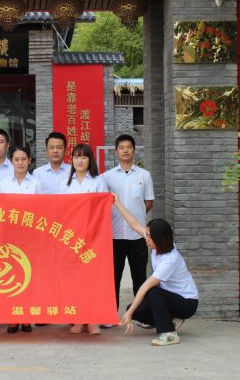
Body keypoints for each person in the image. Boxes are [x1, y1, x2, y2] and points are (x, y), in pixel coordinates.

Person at [113, 195, 198, 346]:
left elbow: (146, 286)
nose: (146, 239)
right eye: (147, 235)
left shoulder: (169, 259)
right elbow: (134, 224)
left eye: (150, 237)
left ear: (160, 239)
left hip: (187, 302)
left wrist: (128, 314)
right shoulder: (158, 244)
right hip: (170, 297)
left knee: (152, 292)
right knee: (135, 309)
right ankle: (171, 321)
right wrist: (117, 202)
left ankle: (169, 334)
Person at [102, 134, 155, 324]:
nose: (125, 150)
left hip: (137, 236)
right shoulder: (106, 177)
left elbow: (149, 202)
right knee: (112, 278)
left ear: (134, 150)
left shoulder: (144, 175)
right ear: (116, 151)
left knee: (139, 277)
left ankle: (142, 315)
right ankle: (110, 315)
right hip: (114, 235)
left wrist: (136, 218)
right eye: (121, 147)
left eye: (129, 147)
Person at [59, 143, 108, 335]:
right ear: (71, 160)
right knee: (75, 280)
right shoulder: (65, 183)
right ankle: (78, 319)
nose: (79, 161)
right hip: (71, 239)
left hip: (92, 237)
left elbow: (104, 209)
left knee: (92, 280)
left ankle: (93, 321)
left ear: (90, 160)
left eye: (84, 157)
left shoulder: (98, 181)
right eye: (76, 157)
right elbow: (60, 211)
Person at [0, 145, 44, 334]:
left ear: (29, 161)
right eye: (16, 159)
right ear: (11, 162)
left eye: (24, 159)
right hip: (9, 235)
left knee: (28, 275)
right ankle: (12, 317)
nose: (20, 163)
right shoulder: (3, 184)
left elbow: (41, 210)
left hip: (30, 236)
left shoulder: (36, 184)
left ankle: (26, 317)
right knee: (12, 276)